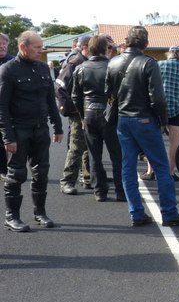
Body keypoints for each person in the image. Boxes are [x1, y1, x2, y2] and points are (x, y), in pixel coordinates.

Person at [106, 26, 179, 227]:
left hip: (123, 119)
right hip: (144, 119)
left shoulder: (113, 62)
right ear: (145, 43)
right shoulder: (148, 63)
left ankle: (136, 213)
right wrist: (163, 121)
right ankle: (169, 213)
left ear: (127, 41)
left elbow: (108, 92)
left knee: (128, 167)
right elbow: (158, 98)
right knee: (161, 167)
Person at [0, 31, 64, 231]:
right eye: (37, 47)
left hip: (40, 129)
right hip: (18, 130)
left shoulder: (43, 68)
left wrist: (58, 126)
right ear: (23, 47)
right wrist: (7, 137)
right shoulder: (8, 70)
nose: (40, 51)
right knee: (16, 174)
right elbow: (1, 107)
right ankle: (12, 217)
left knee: (41, 172)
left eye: (41, 47)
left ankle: (40, 213)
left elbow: (50, 100)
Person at [71, 35, 124, 202]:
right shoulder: (113, 67)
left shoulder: (80, 68)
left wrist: (82, 116)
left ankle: (99, 191)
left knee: (94, 156)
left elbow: (75, 96)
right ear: (105, 49)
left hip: (89, 114)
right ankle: (121, 191)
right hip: (110, 114)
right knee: (117, 155)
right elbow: (121, 94)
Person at [141, 45, 179, 180]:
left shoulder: (158, 65)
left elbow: (148, 86)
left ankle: (150, 171)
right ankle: (170, 172)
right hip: (178, 109)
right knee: (175, 142)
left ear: (169, 54)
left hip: (157, 108)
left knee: (153, 140)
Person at [56, 35, 92, 194]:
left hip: (90, 112)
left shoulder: (89, 62)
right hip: (79, 114)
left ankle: (87, 177)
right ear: (85, 47)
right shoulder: (75, 63)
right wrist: (73, 109)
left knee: (88, 147)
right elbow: (59, 87)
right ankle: (67, 181)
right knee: (76, 147)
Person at [0, 33, 14, 180]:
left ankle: (7, 169)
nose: (2, 46)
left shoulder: (13, 62)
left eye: (4, 43)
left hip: (9, 108)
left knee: (8, 139)